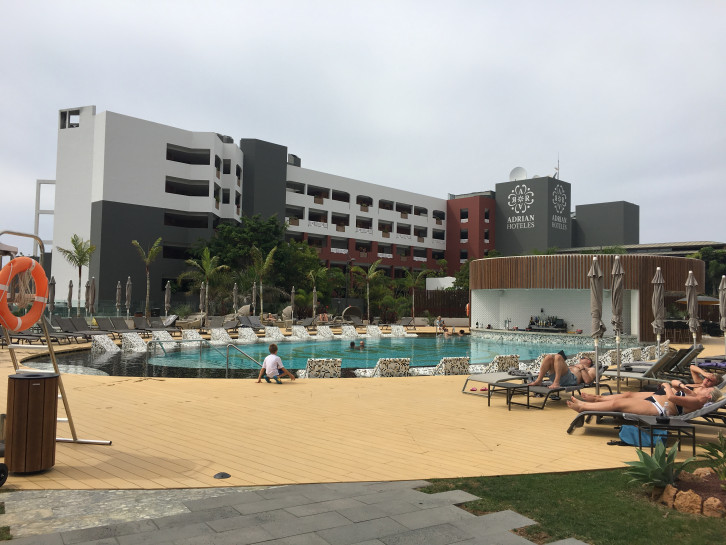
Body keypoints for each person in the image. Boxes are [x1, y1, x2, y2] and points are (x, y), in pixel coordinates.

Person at [578, 365, 722, 403]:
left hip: (664, 397)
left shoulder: (701, 393)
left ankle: (598, 400)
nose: (706, 380)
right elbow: (692, 367)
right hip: (663, 392)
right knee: (628, 394)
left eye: (710, 381)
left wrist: (672, 386)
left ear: (713, 387)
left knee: (628, 398)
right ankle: (599, 398)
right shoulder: (699, 383)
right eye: (707, 378)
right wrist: (704, 373)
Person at [568, 380, 721, 416]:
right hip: (655, 400)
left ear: (708, 396)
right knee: (622, 400)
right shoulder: (695, 395)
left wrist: (667, 386)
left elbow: (672, 398)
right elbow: (675, 382)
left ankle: (583, 407)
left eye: (707, 389)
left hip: (658, 408)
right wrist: (681, 386)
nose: (704, 387)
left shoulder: (697, 402)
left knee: (618, 404)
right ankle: (593, 401)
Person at [529, 352, 596, 389]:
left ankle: (556, 382)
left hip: (571, 379)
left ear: (589, 361)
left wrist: (582, 368)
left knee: (558, 356)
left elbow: (587, 381)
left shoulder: (591, 369)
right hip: (559, 376)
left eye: (583, 358)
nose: (581, 359)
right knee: (548, 357)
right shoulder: (576, 365)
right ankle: (539, 380)